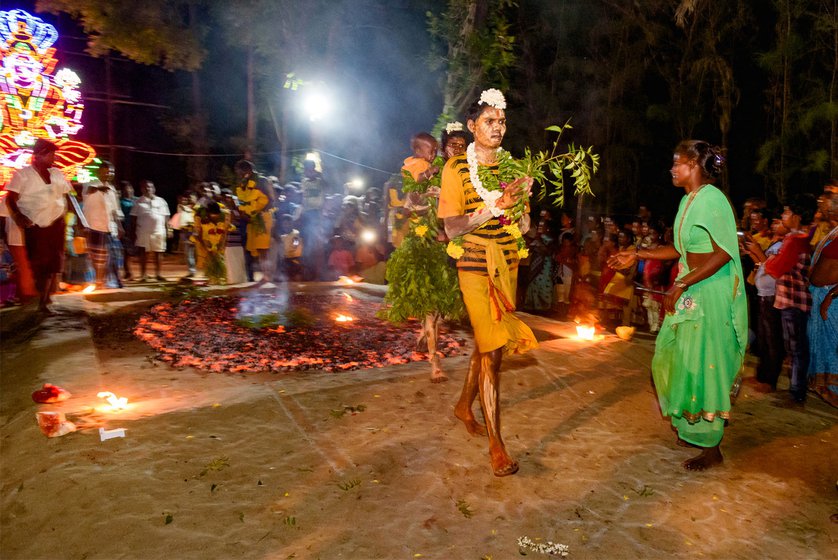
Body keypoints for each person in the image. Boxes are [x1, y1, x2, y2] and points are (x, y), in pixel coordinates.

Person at [608, 140, 747, 471]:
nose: (673, 169)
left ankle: (711, 446)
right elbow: (680, 249)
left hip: (709, 292)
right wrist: (637, 253)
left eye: (678, 163)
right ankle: (693, 427)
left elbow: (725, 252)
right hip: (690, 288)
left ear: (695, 165)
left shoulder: (713, 200)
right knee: (675, 356)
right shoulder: (688, 200)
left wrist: (682, 282)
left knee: (703, 362)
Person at [438, 89, 538, 476]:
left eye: (502, 121)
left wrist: (521, 205)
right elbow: (450, 229)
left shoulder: (513, 168)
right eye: (489, 121)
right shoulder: (455, 170)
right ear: (472, 126)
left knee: (486, 340)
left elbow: (524, 227)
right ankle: (497, 446)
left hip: (508, 264)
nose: (498, 128)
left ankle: (464, 406)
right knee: (494, 350)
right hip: (475, 265)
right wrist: (489, 210)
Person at [383, 130, 463, 382]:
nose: (434, 155)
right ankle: (434, 362)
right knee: (429, 305)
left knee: (438, 305)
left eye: (435, 151)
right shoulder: (415, 170)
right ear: (419, 151)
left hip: (439, 246)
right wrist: (426, 184)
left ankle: (424, 333)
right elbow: (412, 199)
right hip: (420, 246)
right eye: (432, 151)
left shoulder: (439, 171)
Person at [4, 138, 79, 313]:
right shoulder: (22, 175)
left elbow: (69, 196)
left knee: (53, 264)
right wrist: (18, 215)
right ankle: (38, 300)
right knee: (38, 264)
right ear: (38, 156)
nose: (55, 158)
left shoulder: (57, 174)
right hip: (35, 227)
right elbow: (10, 198)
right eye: (51, 154)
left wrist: (76, 221)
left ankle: (45, 301)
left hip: (56, 225)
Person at [762, 198, 814, 405]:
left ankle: (797, 392)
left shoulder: (794, 240)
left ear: (797, 217)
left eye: (786, 213)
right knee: (796, 347)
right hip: (795, 300)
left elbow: (774, 268)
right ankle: (797, 389)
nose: (783, 217)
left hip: (793, 301)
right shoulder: (800, 239)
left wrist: (769, 260)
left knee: (796, 348)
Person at [807, 188, 837, 407]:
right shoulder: (832, 231)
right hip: (823, 298)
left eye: (824, 202)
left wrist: (833, 294)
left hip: (832, 302)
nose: (820, 206)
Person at [82, 161, 124, 289]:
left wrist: (120, 226)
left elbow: (115, 210)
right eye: (106, 171)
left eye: (111, 172)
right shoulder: (90, 184)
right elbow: (89, 191)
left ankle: (105, 281)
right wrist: (100, 189)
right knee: (96, 255)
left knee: (110, 255)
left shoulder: (112, 189)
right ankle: (98, 281)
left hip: (109, 228)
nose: (109, 174)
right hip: (94, 225)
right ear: (99, 172)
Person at [235, 160, 274, 285]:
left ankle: (267, 276)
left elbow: (271, 199)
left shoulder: (262, 181)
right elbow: (243, 202)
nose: (239, 175)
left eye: (240, 172)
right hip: (251, 219)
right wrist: (243, 213)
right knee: (256, 248)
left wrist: (257, 212)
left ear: (247, 171)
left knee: (263, 248)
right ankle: (264, 275)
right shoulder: (243, 184)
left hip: (262, 217)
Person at [130, 180, 170, 282]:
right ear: (142, 189)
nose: (148, 189)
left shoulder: (162, 201)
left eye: (150, 187)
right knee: (143, 253)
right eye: (145, 187)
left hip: (159, 231)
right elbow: (133, 218)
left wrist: (169, 230)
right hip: (143, 231)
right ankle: (143, 275)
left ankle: (158, 274)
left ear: (154, 188)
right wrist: (133, 232)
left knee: (159, 252)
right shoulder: (138, 202)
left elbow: (166, 217)